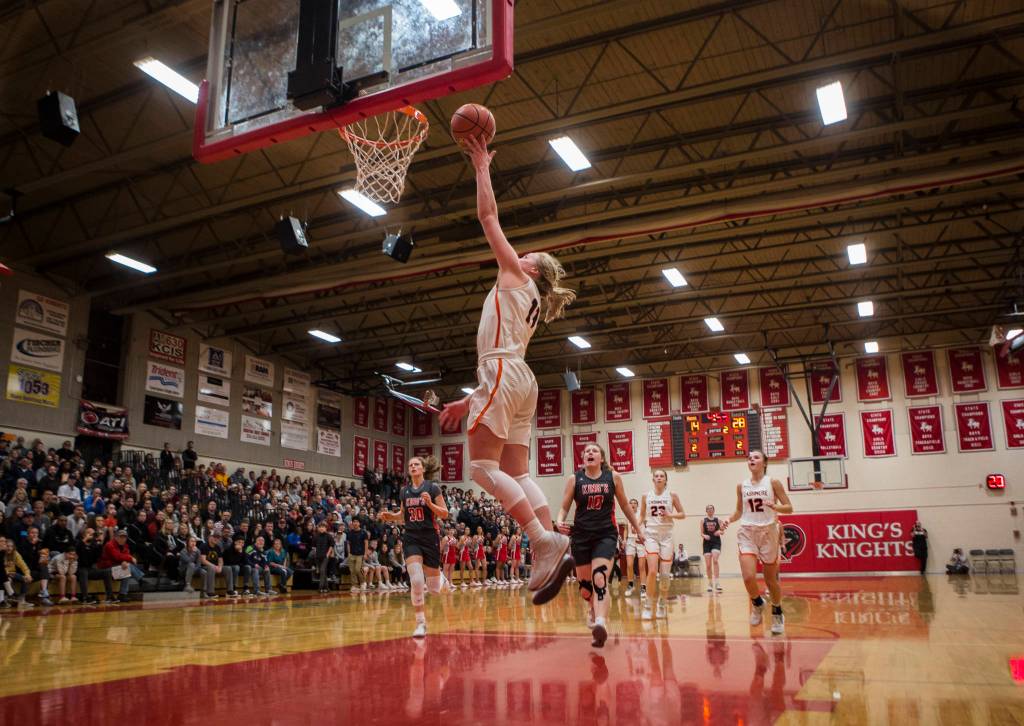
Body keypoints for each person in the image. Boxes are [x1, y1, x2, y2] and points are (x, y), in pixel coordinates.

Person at [439, 133, 577, 606]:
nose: (521, 254)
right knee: (517, 472)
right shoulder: (534, 298)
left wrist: (481, 166)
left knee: (480, 468)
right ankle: (554, 537)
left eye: (529, 256)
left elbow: (488, 217)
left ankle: (541, 541)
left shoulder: (516, 277)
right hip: (519, 377)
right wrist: (472, 397)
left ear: (534, 271)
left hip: (502, 372)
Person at [556, 443, 645, 648]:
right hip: (581, 536)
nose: (590, 453)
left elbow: (624, 505)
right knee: (586, 589)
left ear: (601, 459)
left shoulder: (613, 478)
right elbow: (564, 507)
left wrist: (638, 530)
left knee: (600, 578)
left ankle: (601, 623)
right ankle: (592, 608)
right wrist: (560, 521)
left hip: (605, 534)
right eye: (587, 451)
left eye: (594, 451)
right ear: (583, 458)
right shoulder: (574, 479)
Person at [721, 450, 793, 635]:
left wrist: (775, 506)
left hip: (768, 531)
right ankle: (757, 602)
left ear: (764, 462)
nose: (751, 459)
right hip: (747, 532)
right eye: (749, 458)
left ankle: (777, 610)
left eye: (756, 457)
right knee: (748, 576)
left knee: (770, 580)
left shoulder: (773, 482)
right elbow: (739, 511)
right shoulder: (741, 486)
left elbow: (789, 508)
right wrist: (729, 519)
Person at [378, 455, 448, 637]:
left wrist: (430, 503)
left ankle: (441, 578)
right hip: (411, 537)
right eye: (410, 465)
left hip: (430, 537)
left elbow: (445, 514)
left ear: (423, 468)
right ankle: (420, 623)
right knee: (416, 580)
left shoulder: (432, 488)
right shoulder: (404, 491)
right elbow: (403, 515)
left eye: (416, 464)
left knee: (433, 590)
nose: (413, 467)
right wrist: (391, 516)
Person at [640, 469, 686, 620]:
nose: (659, 478)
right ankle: (647, 604)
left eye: (662, 476)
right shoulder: (646, 496)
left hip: (667, 535)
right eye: (656, 476)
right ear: (653, 479)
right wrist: (636, 528)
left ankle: (661, 603)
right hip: (651, 535)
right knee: (652, 571)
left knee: (665, 575)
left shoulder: (672, 495)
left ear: (666, 480)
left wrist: (670, 515)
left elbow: (682, 514)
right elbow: (641, 516)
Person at [97, 529, 145, 602]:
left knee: (126, 569)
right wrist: (130, 558)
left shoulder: (125, 546)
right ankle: (140, 579)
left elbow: (125, 555)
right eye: (121, 537)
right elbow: (117, 556)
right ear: (115, 537)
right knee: (128, 567)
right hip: (106, 569)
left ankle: (123, 594)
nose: (123, 539)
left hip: (116, 567)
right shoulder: (109, 545)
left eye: (124, 537)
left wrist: (124, 561)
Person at [622, 499, 647, 599]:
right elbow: (626, 529)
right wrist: (624, 540)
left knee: (641, 566)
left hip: (640, 541)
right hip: (631, 541)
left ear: (637, 505)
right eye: (631, 503)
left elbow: (647, 528)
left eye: (634, 503)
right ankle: (631, 585)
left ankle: (643, 587)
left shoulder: (642, 515)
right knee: (629, 565)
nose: (632, 505)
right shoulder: (627, 515)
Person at [701, 504, 725, 593]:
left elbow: (723, 530)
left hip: (716, 542)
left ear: (714, 510)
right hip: (707, 543)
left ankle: (717, 583)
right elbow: (701, 533)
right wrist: (704, 535)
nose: (710, 510)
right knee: (708, 565)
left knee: (715, 560)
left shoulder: (718, 520)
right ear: (706, 511)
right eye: (708, 509)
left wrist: (720, 531)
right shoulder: (703, 520)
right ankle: (710, 583)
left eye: (711, 509)